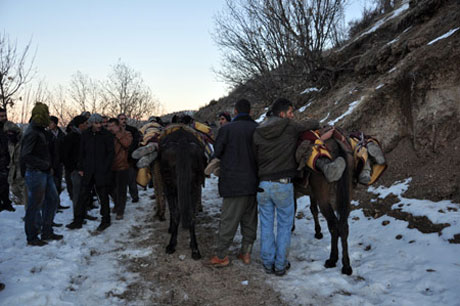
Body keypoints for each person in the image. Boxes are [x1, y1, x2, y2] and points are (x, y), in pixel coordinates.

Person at [253, 98, 322, 276]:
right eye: (291, 112)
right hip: (283, 185)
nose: (292, 116)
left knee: (266, 225)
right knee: (284, 225)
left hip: (262, 186)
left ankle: (268, 263)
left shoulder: (258, 130)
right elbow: (313, 123)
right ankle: (280, 265)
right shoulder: (290, 127)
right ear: (283, 114)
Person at [209, 99, 258, 267]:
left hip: (233, 182)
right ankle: (246, 253)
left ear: (235, 112)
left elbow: (217, 152)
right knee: (250, 221)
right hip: (254, 182)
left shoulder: (227, 129)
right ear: (250, 112)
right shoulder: (258, 128)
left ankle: (221, 256)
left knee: (229, 220)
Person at [20, 102, 63, 246]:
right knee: (35, 205)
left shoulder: (40, 130)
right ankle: (32, 237)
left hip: (44, 172)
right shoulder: (32, 132)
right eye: (46, 113)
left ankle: (47, 231)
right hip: (36, 173)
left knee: (52, 200)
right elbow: (26, 155)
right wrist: (45, 165)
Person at [66, 114, 114, 232]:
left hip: (101, 171)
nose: (99, 125)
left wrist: (105, 168)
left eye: (100, 123)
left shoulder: (106, 135)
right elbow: (81, 152)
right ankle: (78, 220)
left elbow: (111, 153)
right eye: (96, 123)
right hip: (88, 171)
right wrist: (81, 167)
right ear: (91, 123)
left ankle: (106, 220)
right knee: (83, 196)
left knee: (103, 196)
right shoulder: (85, 135)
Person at [62, 115, 89, 220]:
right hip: (75, 171)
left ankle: (84, 213)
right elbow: (65, 156)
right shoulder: (71, 137)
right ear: (81, 125)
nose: (87, 125)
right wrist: (74, 169)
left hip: (84, 169)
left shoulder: (84, 136)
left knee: (84, 193)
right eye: (86, 123)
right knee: (77, 194)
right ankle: (77, 217)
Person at [107, 118, 132, 220]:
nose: (110, 128)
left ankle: (120, 211)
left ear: (118, 126)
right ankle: (117, 204)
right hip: (109, 166)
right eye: (109, 126)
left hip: (122, 166)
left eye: (113, 126)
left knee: (121, 190)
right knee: (110, 188)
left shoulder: (126, 134)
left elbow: (127, 144)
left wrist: (118, 135)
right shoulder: (108, 135)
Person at [117, 113, 140, 203]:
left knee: (131, 179)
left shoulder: (132, 130)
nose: (123, 120)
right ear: (118, 120)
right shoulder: (115, 131)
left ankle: (135, 196)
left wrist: (129, 151)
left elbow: (135, 142)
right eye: (121, 119)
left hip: (129, 158)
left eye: (125, 119)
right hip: (118, 160)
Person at [4, 121, 27, 206]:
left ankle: (26, 206)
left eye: (10, 132)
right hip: (13, 168)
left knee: (24, 188)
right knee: (14, 188)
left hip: (23, 167)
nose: (9, 134)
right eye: (7, 132)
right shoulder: (9, 141)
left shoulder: (23, 140)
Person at [48, 115, 68, 210]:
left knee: (58, 185)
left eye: (51, 122)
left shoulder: (61, 134)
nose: (49, 125)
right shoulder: (47, 134)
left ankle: (57, 204)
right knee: (51, 185)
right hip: (50, 163)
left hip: (59, 163)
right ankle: (52, 205)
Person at [0, 108, 15, 212]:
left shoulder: (8, 128)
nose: (4, 118)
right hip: (1, 158)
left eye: (4, 116)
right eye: (1, 116)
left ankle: (6, 202)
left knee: (6, 183)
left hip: (7, 159)